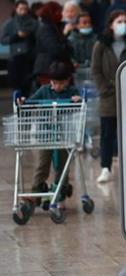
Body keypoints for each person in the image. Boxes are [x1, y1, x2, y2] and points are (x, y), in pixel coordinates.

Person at [91, 10, 126, 183]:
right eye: (119, 21)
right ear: (111, 25)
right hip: (109, 98)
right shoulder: (101, 45)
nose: (123, 25)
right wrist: (104, 88)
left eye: (125, 21)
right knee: (107, 134)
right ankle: (105, 167)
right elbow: (96, 70)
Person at [23, 61, 81, 200]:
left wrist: (77, 100)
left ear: (67, 80)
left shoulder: (72, 92)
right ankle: (35, 193)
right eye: (54, 83)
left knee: (61, 166)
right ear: (50, 81)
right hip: (45, 134)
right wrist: (23, 102)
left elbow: (79, 105)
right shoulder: (44, 90)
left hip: (63, 135)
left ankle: (60, 191)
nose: (57, 86)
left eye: (61, 83)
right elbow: (31, 102)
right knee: (42, 165)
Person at [1, 0, 37, 96]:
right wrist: (17, 36)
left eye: (25, 9)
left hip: (30, 59)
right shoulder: (10, 23)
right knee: (17, 89)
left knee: (29, 88)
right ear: (16, 9)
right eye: (21, 9)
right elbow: (3, 40)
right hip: (15, 59)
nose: (23, 11)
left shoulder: (33, 22)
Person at [32, 1, 71, 90]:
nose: (61, 14)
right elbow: (54, 49)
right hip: (47, 69)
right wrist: (64, 35)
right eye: (58, 12)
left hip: (52, 68)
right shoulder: (46, 28)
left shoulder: (52, 26)